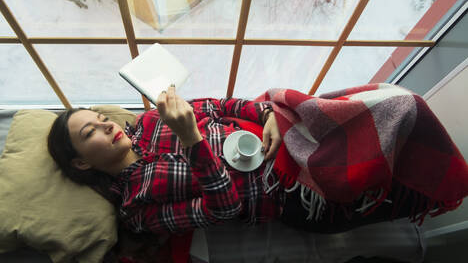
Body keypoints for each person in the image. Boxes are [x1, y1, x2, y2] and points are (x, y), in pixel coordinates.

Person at [48, 85, 417, 237]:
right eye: (89, 133)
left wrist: (266, 114)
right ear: (81, 163)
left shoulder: (148, 120)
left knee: (398, 105)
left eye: (99, 118)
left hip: (285, 138)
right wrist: (192, 139)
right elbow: (224, 209)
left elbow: (220, 106)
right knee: (406, 187)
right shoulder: (136, 206)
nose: (106, 124)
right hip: (292, 197)